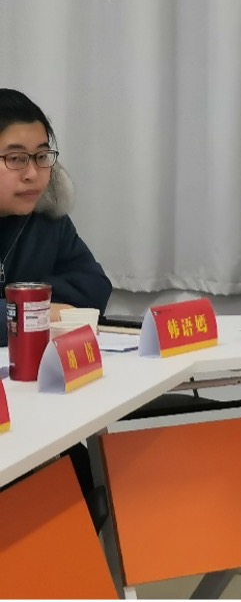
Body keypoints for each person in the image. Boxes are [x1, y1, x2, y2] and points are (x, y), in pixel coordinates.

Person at [0, 88, 112, 511]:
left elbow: (94, 287)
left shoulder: (47, 219)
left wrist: (25, 304)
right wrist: (35, 307)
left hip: (26, 399)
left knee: (82, 477)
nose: (33, 173)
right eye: (15, 158)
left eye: (42, 156)